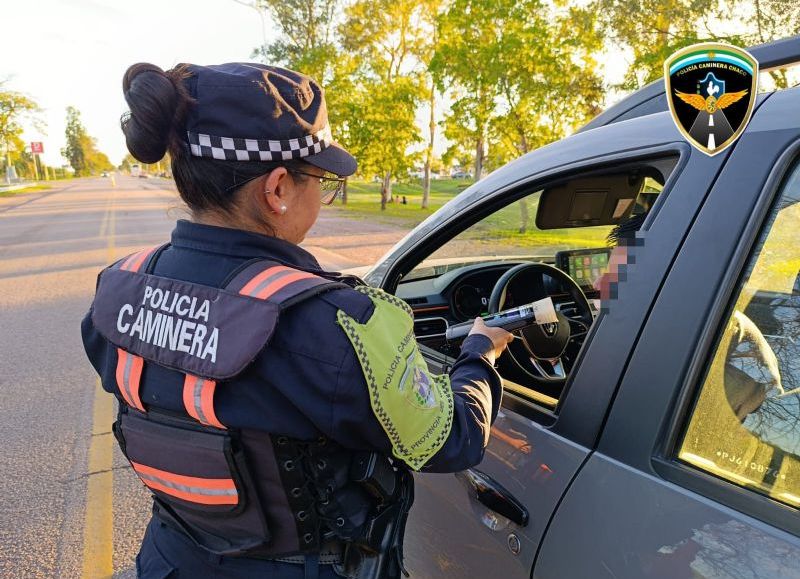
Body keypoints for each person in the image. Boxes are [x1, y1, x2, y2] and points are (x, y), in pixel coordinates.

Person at [81, 62, 512, 579]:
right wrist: (481, 352)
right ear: (278, 188)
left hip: (170, 561)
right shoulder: (337, 325)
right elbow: (454, 438)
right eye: (322, 180)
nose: (323, 197)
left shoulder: (118, 290)